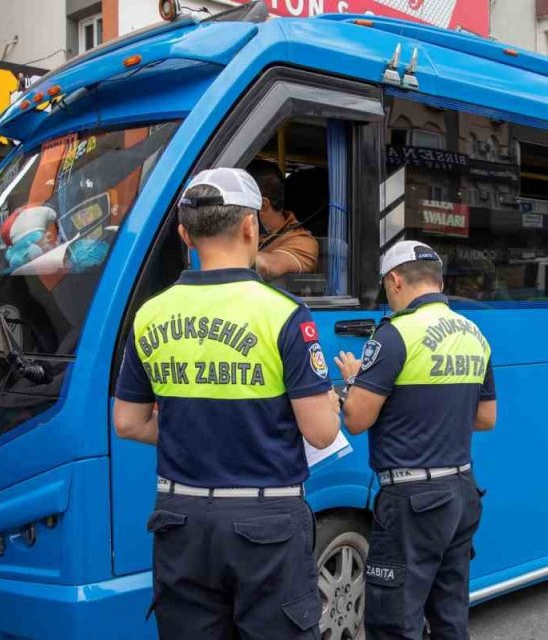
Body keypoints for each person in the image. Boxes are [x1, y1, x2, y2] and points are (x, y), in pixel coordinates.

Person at [111, 168, 341, 639]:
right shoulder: (283, 315)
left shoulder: (149, 315)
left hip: (180, 523)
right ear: (250, 227)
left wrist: (189, 426)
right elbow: (321, 431)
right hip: (266, 527)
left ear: (183, 234)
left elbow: (128, 422)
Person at [333, 241, 497, 640]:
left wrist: (356, 381)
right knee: (449, 615)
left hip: (412, 500)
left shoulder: (394, 336)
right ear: (438, 280)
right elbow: (485, 418)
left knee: (395, 620)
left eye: (387, 289)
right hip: (461, 490)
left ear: (395, 281)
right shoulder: (474, 334)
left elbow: (356, 419)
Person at [247, 159, 319, 280]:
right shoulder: (251, 231)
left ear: (263, 206)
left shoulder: (303, 243)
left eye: (238, 205)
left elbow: (267, 266)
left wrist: (219, 252)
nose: (233, 211)